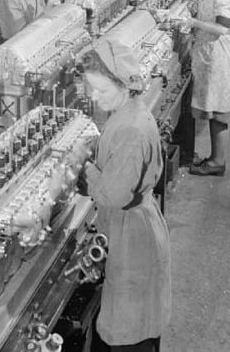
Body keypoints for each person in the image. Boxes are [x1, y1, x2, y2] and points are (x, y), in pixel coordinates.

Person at [79, 40, 170, 352]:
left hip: (133, 234)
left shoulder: (130, 128)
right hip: (129, 226)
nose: (93, 96)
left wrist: (84, 167)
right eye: (90, 89)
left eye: (100, 90)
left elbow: (114, 194)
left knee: (130, 330)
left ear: (123, 85)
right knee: (124, 320)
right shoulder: (126, 112)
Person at [173, 0, 230, 176]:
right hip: (210, 53)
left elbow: (223, 26)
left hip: (219, 55)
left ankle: (217, 163)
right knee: (213, 111)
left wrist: (192, 22)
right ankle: (214, 159)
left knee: (218, 113)